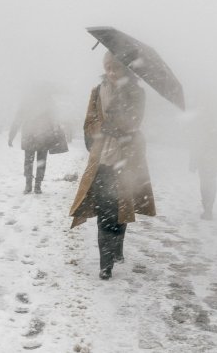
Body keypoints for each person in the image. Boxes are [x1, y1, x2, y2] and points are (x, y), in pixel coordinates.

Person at [69, 51, 156, 280]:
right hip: (102, 160)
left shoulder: (137, 93)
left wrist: (118, 120)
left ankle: (117, 247)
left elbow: (135, 121)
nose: (111, 71)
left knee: (121, 208)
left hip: (127, 160)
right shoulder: (97, 91)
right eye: (107, 67)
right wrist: (101, 128)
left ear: (125, 68)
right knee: (106, 210)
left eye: (115, 67)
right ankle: (105, 263)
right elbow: (89, 121)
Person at [8, 86, 65, 194]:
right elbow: (55, 120)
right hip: (43, 136)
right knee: (41, 162)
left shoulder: (26, 102)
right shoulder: (48, 102)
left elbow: (17, 120)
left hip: (30, 136)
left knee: (28, 162)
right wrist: (57, 134)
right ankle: (37, 185)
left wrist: (11, 136)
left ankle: (28, 185)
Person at [189, 100, 217, 220]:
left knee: (206, 182)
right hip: (210, 156)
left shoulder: (206, 121)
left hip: (208, 156)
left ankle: (208, 208)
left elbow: (197, 140)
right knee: (209, 181)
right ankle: (208, 207)